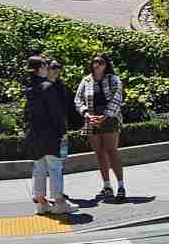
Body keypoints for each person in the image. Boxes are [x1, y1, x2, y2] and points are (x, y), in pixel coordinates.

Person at [24, 56, 77, 216]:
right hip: (51, 135)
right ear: (39, 68)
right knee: (55, 167)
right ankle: (59, 202)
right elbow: (57, 114)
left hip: (34, 135)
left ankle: (41, 204)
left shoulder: (29, 88)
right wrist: (62, 133)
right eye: (45, 65)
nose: (48, 67)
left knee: (39, 168)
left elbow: (26, 115)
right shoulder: (47, 87)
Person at [75, 55, 125, 201]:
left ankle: (121, 186)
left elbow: (117, 98)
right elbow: (78, 99)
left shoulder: (113, 79)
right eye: (95, 62)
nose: (97, 64)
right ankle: (107, 186)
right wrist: (86, 114)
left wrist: (105, 116)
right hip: (91, 119)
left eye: (101, 62)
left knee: (111, 151)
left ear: (106, 65)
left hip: (109, 118)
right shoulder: (86, 80)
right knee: (99, 153)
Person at [46, 58, 84, 197]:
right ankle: (47, 195)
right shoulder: (42, 86)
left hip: (61, 129)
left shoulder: (61, 85)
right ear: (47, 69)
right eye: (53, 67)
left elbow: (70, 107)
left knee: (60, 162)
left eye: (58, 67)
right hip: (46, 130)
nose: (56, 70)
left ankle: (58, 192)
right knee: (46, 164)